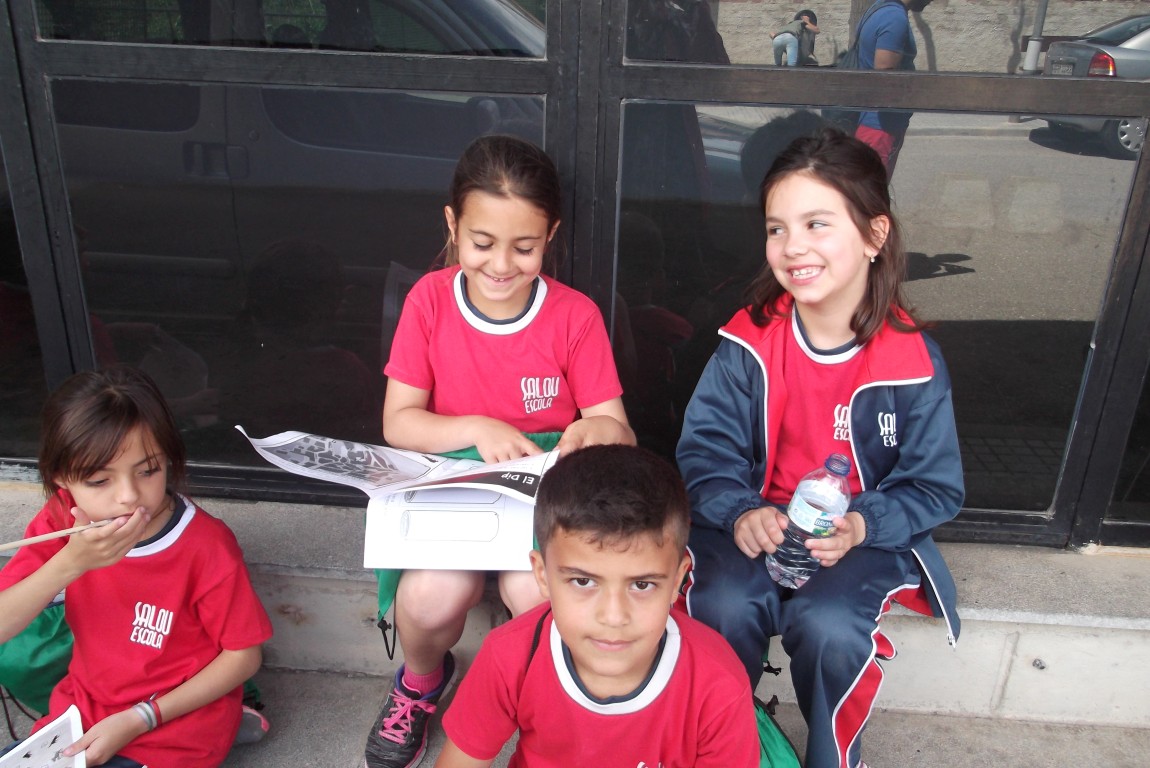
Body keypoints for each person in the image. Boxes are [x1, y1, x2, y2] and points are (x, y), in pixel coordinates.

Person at [677, 128, 963, 768]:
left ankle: (831, 757)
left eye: (816, 224)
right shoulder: (749, 342)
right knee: (721, 605)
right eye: (777, 228)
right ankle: (727, 747)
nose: (793, 246)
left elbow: (934, 486)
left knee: (830, 625)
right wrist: (739, 511)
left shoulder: (911, 361)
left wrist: (863, 525)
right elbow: (705, 453)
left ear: (874, 235)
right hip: (757, 526)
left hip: (852, 539)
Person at [366, 134, 635, 768]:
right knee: (427, 599)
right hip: (454, 484)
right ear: (453, 225)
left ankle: (537, 700)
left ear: (551, 235)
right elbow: (399, 423)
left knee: (538, 596)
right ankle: (421, 683)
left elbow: (616, 427)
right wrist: (477, 428)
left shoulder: (573, 316)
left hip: (541, 493)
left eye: (525, 247)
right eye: (482, 243)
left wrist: (589, 433)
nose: (501, 265)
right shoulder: (430, 301)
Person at [0, 365, 273, 767]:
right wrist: (70, 563)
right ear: (62, 479)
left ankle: (231, 717)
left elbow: (244, 656)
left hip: (173, 728)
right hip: (84, 710)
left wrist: (141, 718)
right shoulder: (64, 519)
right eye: (99, 481)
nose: (129, 495)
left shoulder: (204, 545)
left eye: (148, 471)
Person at [434, 444, 760, 768]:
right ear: (542, 575)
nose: (613, 616)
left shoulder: (717, 683)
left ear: (677, 581)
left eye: (642, 585)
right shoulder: (509, 657)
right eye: (583, 581)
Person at [855, 0, 933, 176]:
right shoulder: (894, 18)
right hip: (880, 127)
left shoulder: (880, 8)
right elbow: (884, 75)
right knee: (871, 189)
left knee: (867, 187)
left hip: (874, 122)